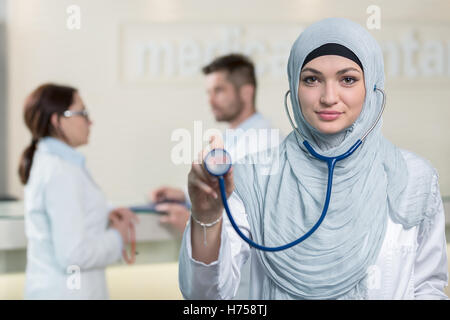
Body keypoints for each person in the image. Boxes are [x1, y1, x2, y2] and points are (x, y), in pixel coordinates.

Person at [179, 18, 449, 300]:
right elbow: (204, 297)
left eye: (348, 79)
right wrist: (206, 218)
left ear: (372, 87)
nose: (329, 97)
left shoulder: (414, 178)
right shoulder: (252, 179)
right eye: (312, 79)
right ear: (294, 87)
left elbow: (427, 287)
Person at [18, 83, 138, 299]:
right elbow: (73, 255)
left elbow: (72, 211)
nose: (89, 121)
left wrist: (106, 211)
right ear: (57, 120)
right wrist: (117, 237)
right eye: (82, 113)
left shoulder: (59, 165)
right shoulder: (59, 171)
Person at [152, 54, 282, 233]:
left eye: (219, 91)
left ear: (246, 92)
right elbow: (224, 190)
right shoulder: (231, 136)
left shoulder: (266, 143)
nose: (210, 101)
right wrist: (183, 194)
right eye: (209, 92)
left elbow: (255, 218)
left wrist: (195, 224)